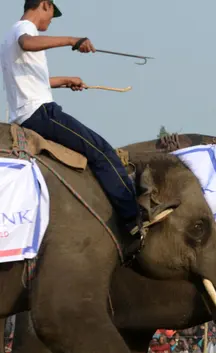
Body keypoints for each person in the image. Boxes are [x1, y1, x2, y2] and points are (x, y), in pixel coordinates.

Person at [0, 1, 143, 259]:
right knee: (102, 151)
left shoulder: (9, 36)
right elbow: (27, 43)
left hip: (26, 114)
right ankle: (133, 221)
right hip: (41, 114)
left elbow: (32, 81)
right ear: (44, 4)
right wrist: (72, 40)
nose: (50, 22)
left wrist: (65, 81)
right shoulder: (24, 30)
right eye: (51, 15)